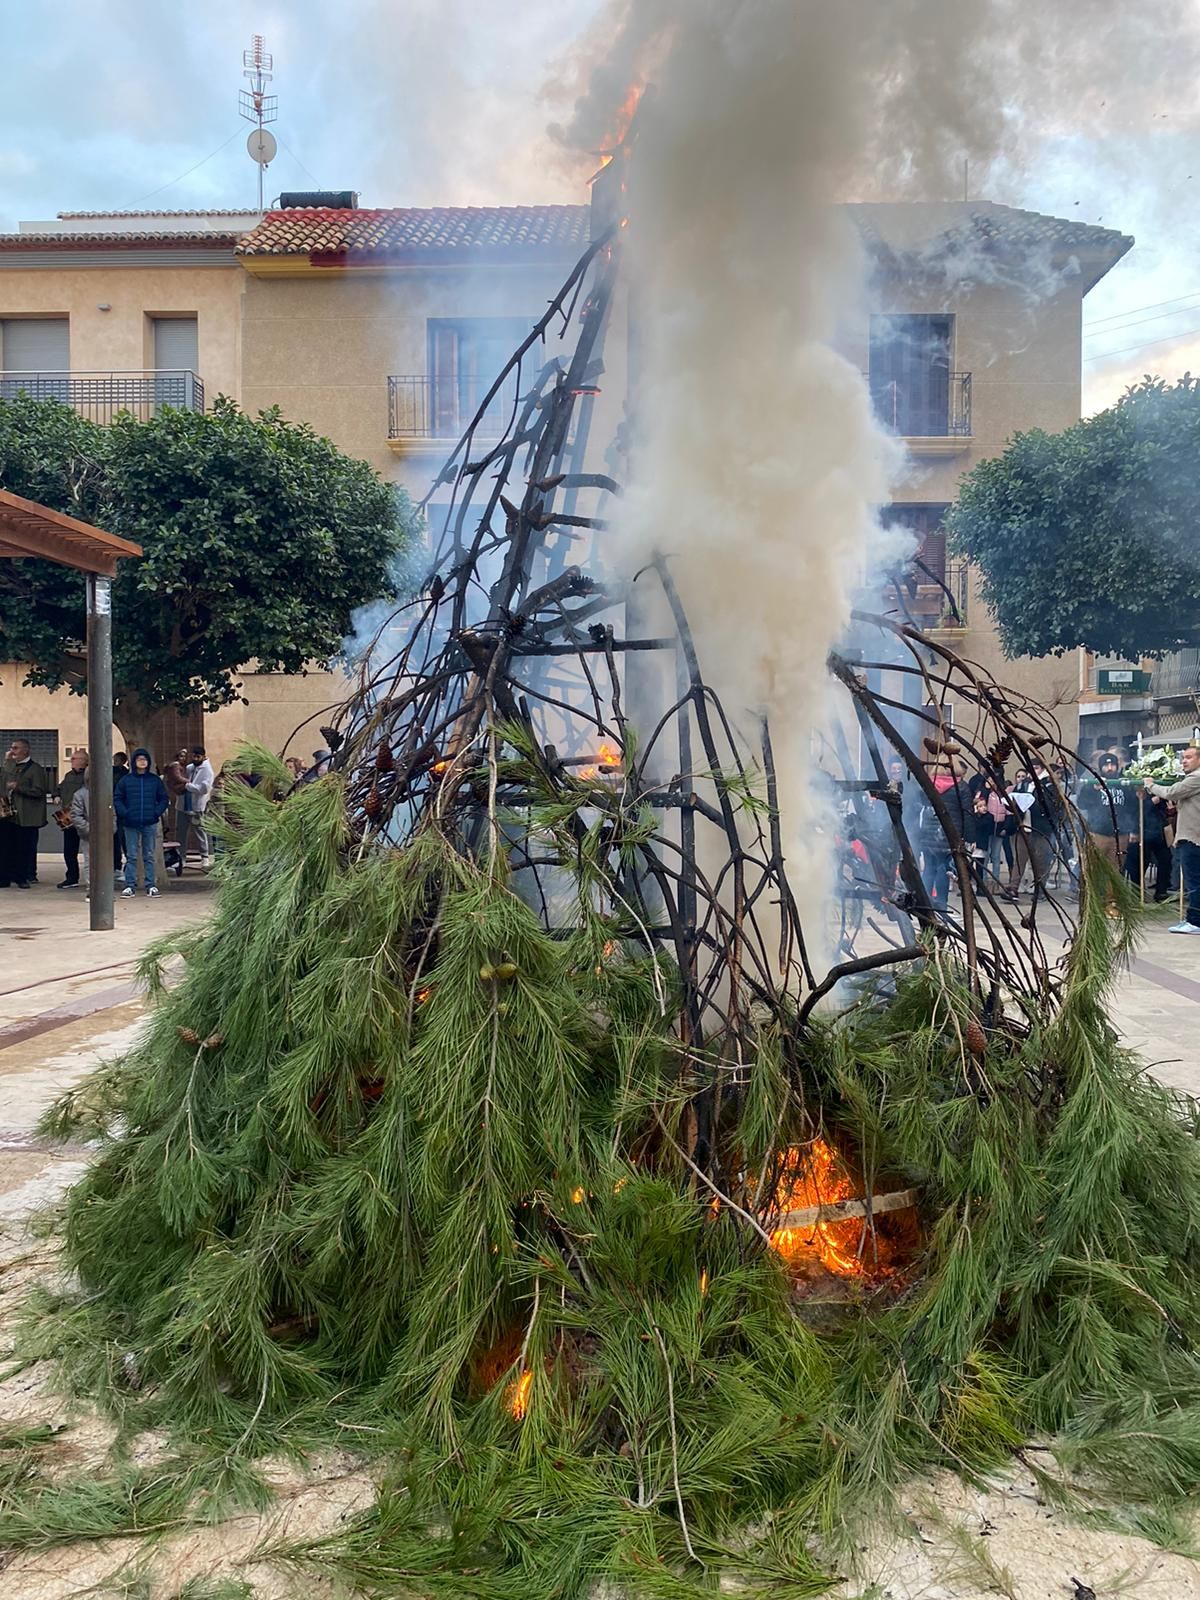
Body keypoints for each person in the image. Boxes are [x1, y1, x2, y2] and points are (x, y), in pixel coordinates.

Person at [1148, 744, 1200, 933]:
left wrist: (1150, 785)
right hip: (1191, 835)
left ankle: (1195, 921)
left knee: (1194, 881)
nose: (1184, 761)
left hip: (1193, 837)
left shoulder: (1196, 778)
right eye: (1183, 757)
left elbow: (1171, 792)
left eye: (1189, 757)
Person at [114, 748, 168, 897]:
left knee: (149, 855)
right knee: (131, 855)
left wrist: (156, 813)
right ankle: (130, 885)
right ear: (134, 762)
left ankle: (150, 885)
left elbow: (164, 799)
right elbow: (117, 798)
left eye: (144, 760)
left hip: (149, 823)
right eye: (139, 760)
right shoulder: (126, 780)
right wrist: (125, 813)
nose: (142, 762)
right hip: (130, 823)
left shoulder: (154, 780)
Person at [1006, 761, 1062, 899]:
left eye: (1036, 768)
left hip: (1041, 828)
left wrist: (1030, 803)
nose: (1033, 771)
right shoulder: (1023, 784)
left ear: (1043, 769)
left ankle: (1040, 890)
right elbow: (1015, 801)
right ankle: (1013, 888)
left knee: (1040, 861)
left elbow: (1050, 807)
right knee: (1019, 860)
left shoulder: (1049, 786)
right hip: (1023, 827)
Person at [0, 738, 49, 889]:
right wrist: (7, 763)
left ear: (25, 750)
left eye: (15, 748)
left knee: (24, 848)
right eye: (11, 748)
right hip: (8, 815)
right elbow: (4, 783)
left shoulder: (36, 769)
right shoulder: (10, 767)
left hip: (27, 816)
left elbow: (40, 791)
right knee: (7, 847)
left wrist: (18, 787)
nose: (12, 751)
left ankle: (24, 876)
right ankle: (6, 877)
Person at [68, 773, 117, 898]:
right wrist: (90, 830)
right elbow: (76, 816)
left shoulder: (107, 793)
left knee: (106, 863)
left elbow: (113, 813)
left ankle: (106, 890)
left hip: (106, 833)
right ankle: (92, 890)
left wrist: (112, 828)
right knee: (90, 862)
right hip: (89, 835)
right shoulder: (80, 795)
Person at [1124, 785, 1173, 902]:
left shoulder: (1154, 792)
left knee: (1165, 860)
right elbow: (1134, 814)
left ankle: (1161, 891)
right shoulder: (1130, 795)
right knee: (1140, 863)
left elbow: (1162, 809)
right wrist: (1150, 803)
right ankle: (1137, 893)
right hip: (1140, 833)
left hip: (1158, 832)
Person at [56, 749, 89, 889]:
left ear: (84, 761)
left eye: (75, 758)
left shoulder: (88, 775)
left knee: (89, 852)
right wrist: (56, 795)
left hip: (83, 818)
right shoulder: (68, 775)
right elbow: (59, 787)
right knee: (69, 850)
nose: (72, 760)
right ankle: (71, 877)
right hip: (68, 819)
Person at [178, 744, 214, 870]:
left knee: (200, 832)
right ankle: (181, 858)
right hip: (184, 804)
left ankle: (204, 857)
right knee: (181, 833)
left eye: (198, 756)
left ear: (203, 757)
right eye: (193, 756)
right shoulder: (189, 768)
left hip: (197, 806)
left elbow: (204, 789)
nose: (195, 758)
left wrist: (188, 786)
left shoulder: (207, 770)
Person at [112, 751, 129, 875]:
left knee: (123, 837)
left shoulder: (125, 774)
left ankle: (125, 864)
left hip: (121, 809)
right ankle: (116, 864)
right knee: (115, 838)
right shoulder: (112, 772)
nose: (115, 762)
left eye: (117, 760)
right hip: (115, 808)